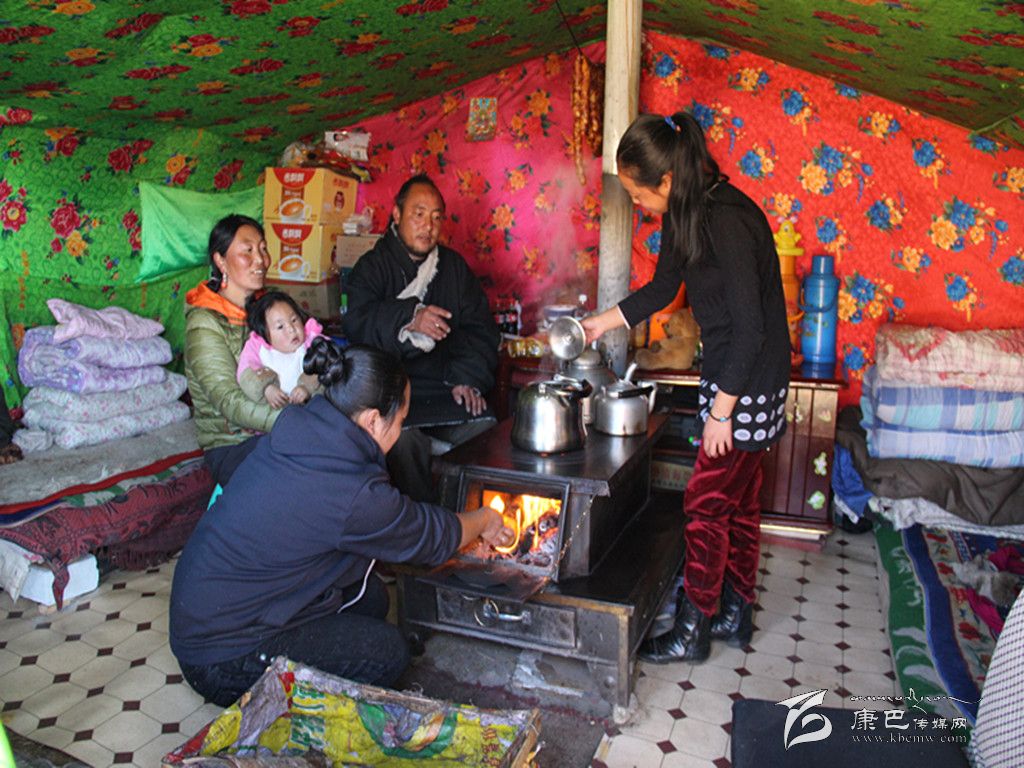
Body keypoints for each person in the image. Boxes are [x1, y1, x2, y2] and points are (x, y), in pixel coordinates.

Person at [170, 339, 512, 706]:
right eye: (400, 421)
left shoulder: (301, 428)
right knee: (388, 653)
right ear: (372, 421)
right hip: (221, 657)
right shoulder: (349, 489)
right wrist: (484, 519)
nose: (400, 431)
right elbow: (428, 537)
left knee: (372, 598)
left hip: (210, 610)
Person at [582, 112, 790, 663]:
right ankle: (735, 614)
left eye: (637, 193)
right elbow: (663, 288)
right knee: (738, 502)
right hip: (728, 371)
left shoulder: (729, 220)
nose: (637, 203)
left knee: (705, 502)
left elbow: (753, 330)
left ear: (667, 179)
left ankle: (693, 629)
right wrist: (601, 324)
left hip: (749, 381)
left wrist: (722, 412)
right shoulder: (684, 212)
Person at [343, 174, 500, 501]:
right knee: (404, 442)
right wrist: (410, 317)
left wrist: (466, 378)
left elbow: (480, 329)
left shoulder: (453, 269)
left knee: (483, 428)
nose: (428, 226)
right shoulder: (371, 268)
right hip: (390, 397)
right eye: (418, 214)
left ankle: (462, 514)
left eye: (436, 217)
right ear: (397, 214)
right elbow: (357, 326)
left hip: (443, 388)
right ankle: (423, 523)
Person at [184, 215, 278, 488]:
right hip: (232, 444)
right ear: (221, 261)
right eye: (247, 250)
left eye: (263, 249)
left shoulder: (268, 308)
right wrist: (292, 420)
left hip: (274, 429)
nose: (260, 259)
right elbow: (228, 401)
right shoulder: (204, 322)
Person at [236, 290, 324, 408]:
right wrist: (266, 388)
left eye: (294, 320)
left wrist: (307, 388)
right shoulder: (257, 348)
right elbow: (246, 373)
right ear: (263, 333)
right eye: (280, 326)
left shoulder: (313, 341)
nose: (291, 329)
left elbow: (328, 365)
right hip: (275, 415)